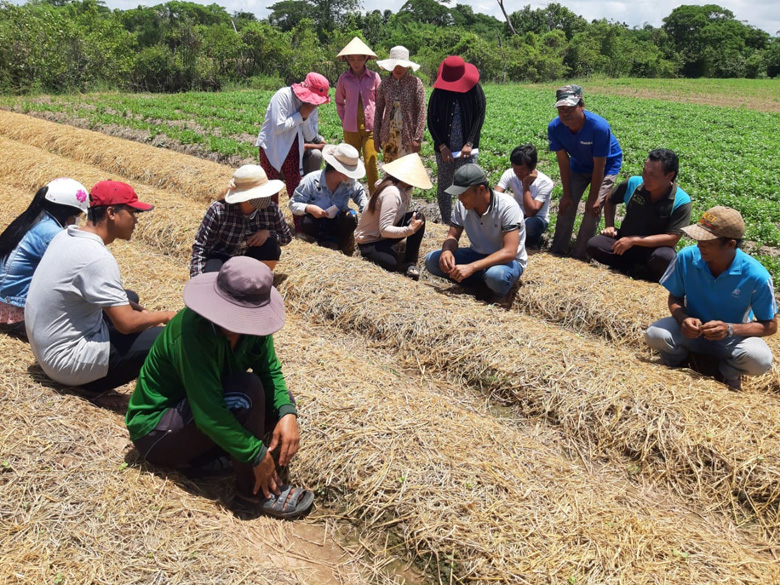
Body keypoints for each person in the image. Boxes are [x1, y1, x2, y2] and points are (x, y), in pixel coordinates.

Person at [127, 257, 314, 518]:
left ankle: (206, 460)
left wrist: (287, 412)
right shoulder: (192, 332)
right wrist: (256, 454)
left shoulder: (255, 329)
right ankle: (251, 493)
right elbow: (208, 412)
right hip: (157, 431)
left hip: (194, 414)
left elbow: (269, 371)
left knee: (273, 398)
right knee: (246, 392)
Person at [25, 180, 176, 405]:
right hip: (66, 365)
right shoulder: (97, 257)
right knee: (167, 337)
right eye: (133, 212)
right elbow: (126, 323)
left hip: (45, 349)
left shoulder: (68, 235)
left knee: (129, 297)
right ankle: (92, 387)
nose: (136, 220)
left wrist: (138, 312)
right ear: (111, 213)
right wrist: (166, 316)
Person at [645, 207, 777, 390]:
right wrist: (683, 319)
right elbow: (675, 297)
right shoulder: (687, 257)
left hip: (730, 341)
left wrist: (729, 329)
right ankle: (678, 359)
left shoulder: (757, 276)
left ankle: (726, 372)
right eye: (698, 239)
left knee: (760, 360)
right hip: (691, 335)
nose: (699, 245)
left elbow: (770, 325)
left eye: (707, 242)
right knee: (654, 334)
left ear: (730, 244)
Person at [425, 163, 526, 302]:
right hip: (477, 255)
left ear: (481, 189)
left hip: (506, 262)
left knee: (496, 277)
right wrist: (446, 250)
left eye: (464, 193)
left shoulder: (507, 207)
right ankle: (480, 285)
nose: (459, 198)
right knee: (432, 260)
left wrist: (471, 267)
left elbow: (510, 252)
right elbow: (452, 236)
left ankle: (493, 289)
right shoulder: (462, 205)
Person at [586, 149, 691, 282]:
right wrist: (610, 226)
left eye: (652, 175)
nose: (645, 178)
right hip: (625, 243)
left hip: (653, 250)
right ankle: (624, 267)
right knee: (594, 244)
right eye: (644, 172)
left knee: (666, 257)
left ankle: (649, 276)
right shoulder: (634, 183)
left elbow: (672, 238)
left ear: (669, 175)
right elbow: (610, 199)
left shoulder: (681, 200)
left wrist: (634, 240)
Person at [0, 178, 89, 332]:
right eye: (78, 215)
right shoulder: (50, 232)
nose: (77, 220)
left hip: (6, 299)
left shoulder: (35, 219)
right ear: (66, 211)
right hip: (14, 309)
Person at [548, 84, 623, 260]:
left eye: (570, 108)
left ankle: (581, 256)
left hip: (606, 165)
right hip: (579, 164)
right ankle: (557, 251)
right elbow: (563, 161)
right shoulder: (555, 128)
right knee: (566, 204)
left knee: (592, 209)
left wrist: (595, 197)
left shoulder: (598, 127)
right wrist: (566, 193)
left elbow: (600, 164)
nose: (565, 113)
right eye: (561, 109)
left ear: (581, 105)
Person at [190, 165, 292, 276]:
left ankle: (256, 280)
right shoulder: (218, 210)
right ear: (245, 197)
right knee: (215, 282)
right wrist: (197, 279)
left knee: (271, 247)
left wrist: (268, 233)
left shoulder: (271, 209)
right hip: (221, 256)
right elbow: (201, 246)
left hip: (249, 256)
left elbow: (286, 237)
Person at [427, 56, 486, 223]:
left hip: (467, 149)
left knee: (468, 185)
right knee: (445, 186)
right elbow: (431, 119)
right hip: (445, 149)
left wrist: (469, 143)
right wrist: (442, 145)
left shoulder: (474, 89)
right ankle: (447, 221)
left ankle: (470, 222)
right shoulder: (439, 92)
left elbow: (479, 115)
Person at [256, 72, 330, 205]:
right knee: (270, 191)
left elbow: (309, 135)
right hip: (272, 147)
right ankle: (272, 224)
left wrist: (306, 117)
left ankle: (300, 225)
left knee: (296, 190)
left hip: (293, 149)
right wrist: (300, 115)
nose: (315, 104)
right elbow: (278, 127)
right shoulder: (283, 96)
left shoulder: (312, 106)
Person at [355, 153, 431, 279]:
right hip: (371, 240)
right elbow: (384, 230)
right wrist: (409, 230)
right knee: (392, 263)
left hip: (382, 236)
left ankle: (410, 261)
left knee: (419, 218)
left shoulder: (395, 187)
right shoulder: (392, 193)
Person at [290, 143, 367, 253]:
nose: (352, 176)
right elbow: (293, 203)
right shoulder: (311, 180)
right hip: (317, 222)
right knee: (307, 222)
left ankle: (338, 240)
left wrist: (365, 209)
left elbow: (360, 193)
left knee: (351, 218)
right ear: (339, 171)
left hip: (338, 222)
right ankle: (321, 239)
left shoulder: (349, 182)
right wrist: (309, 208)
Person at [335, 37, 380, 194]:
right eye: (352, 58)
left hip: (371, 129)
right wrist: (345, 118)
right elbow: (339, 102)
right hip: (351, 129)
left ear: (366, 58)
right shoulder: (344, 79)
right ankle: (348, 196)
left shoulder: (374, 77)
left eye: (360, 58)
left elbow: (381, 102)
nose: (356, 62)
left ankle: (374, 198)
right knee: (349, 164)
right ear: (347, 59)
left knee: (371, 162)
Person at [494, 144, 554, 249]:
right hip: (517, 214)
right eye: (515, 169)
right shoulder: (509, 173)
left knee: (530, 225)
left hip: (536, 218)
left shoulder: (545, 183)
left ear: (533, 167)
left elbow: (531, 212)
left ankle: (532, 242)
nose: (517, 173)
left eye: (521, 170)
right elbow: (495, 197)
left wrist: (525, 185)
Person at [374, 46, 426, 164]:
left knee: (407, 174)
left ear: (407, 66)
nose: (398, 69)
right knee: (391, 172)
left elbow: (421, 112)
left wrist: (418, 138)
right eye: (395, 65)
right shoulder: (385, 84)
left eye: (402, 65)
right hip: (389, 136)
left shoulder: (415, 83)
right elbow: (378, 111)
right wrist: (376, 137)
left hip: (408, 138)